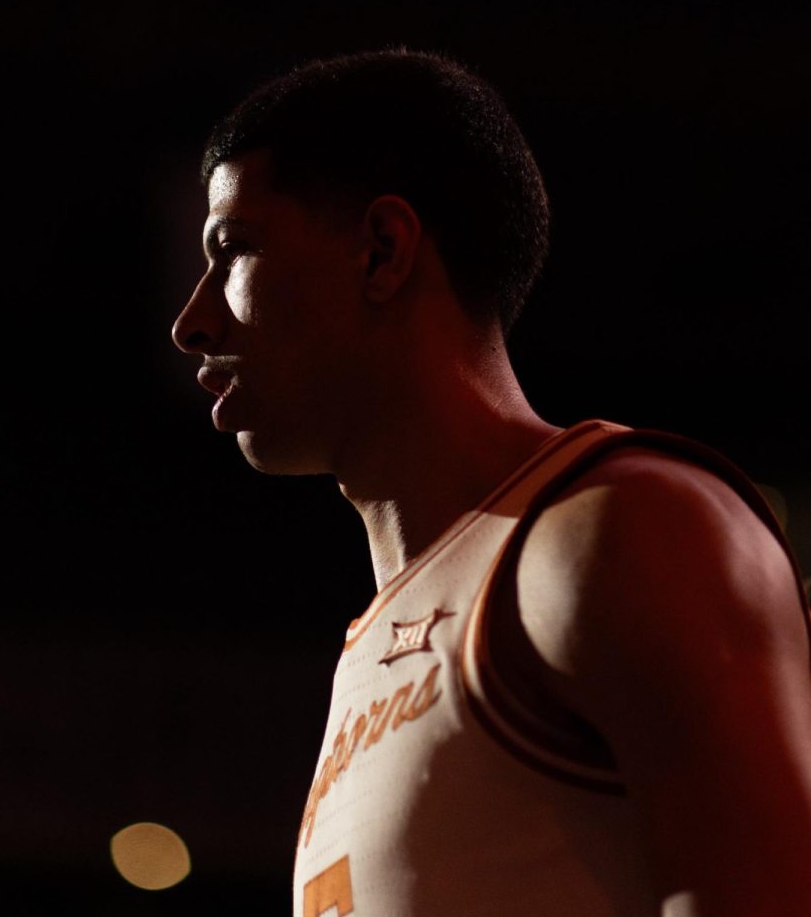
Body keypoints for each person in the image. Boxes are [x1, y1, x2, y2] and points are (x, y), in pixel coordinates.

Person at [171, 49, 811, 917]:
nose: (191, 321)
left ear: (382, 252)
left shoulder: (621, 527)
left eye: (233, 249)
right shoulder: (378, 640)